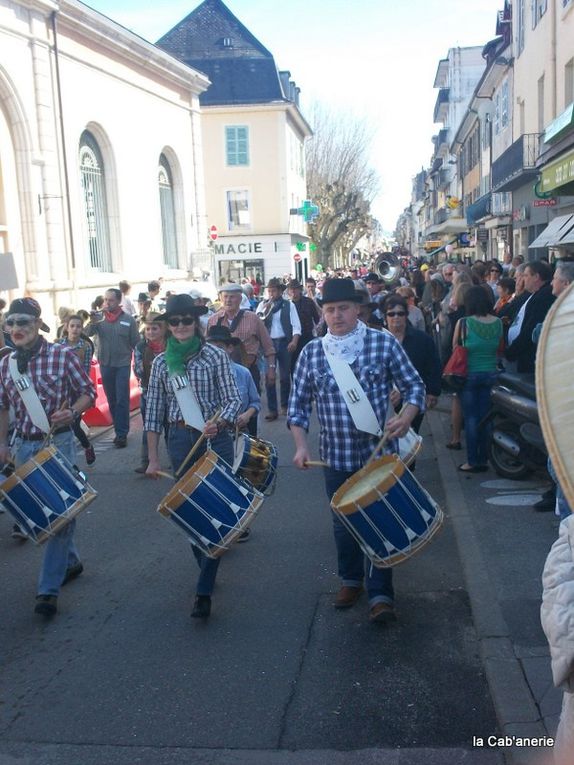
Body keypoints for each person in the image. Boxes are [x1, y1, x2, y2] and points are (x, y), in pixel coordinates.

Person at [288, 279, 425, 624]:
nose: (337, 315)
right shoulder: (312, 352)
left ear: (358, 309)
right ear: (323, 312)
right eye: (330, 309)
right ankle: (351, 580)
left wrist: (407, 417)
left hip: (379, 454)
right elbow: (297, 407)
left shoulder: (382, 343)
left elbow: (414, 387)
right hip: (334, 457)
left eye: (344, 308)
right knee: (343, 524)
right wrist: (301, 446)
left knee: (380, 519)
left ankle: (381, 593)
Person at [144, 295, 242, 619]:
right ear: (167, 327)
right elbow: (154, 413)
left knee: (215, 507)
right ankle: (207, 563)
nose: (181, 326)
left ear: (197, 323)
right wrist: (153, 459)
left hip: (215, 438)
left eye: (187, 321)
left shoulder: (214, 355)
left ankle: (203, 590)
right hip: (180, 439)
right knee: (190, 511)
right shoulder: (160, 364)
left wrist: (221, 421)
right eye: (175, 322)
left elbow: (232, 399)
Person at [0, 298, 95, 616]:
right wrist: (2, 444)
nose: (16, 329)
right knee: (39, 514)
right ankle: (70, 562)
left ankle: (47, 590)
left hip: (59, 444)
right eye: (10, 323)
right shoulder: (5, 364)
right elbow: (2, 407)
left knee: (61, 512)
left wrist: (72, 410)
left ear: (38, 325)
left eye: (23, 322)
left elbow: (88, 392)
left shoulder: (62, 354)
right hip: (24, 446)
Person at [453, 287, 503, 473]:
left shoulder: (464, 322)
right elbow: (499, 349)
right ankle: (486, 458)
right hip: (491, 374)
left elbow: (455, 348)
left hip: (469, 375)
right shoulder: (498, 322)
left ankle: (473, 461)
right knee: (486, 418)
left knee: (471, 418)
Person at [207, 283, 276, 411]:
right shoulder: (213, 320)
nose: (228, 300)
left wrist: (271, 369)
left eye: (232, 297)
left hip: (248, 371)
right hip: (219, 373)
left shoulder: (253, 318)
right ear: (220, 298)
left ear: (240, 299)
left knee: (251, 409)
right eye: (225, 296)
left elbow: (268, 347)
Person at [86, 288, 139, 448]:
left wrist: (137, 364)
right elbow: (86, 333)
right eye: (105, 300)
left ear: (118, 301)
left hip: (122, 364)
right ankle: (118, 429)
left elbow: (136, 343)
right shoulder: (99, 320)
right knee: (112, 400)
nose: (107, 303)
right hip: (106, 364)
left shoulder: (129, 320)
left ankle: (122, 434)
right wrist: (92, 321)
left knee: (122, 399)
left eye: (111, 300)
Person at [383, 295, 441, 434]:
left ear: (406, 315)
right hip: (387, 402)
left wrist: (433, 392)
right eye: (391, 314)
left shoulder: (422, 339)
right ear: (385, 317)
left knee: (410, 438)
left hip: (413, 399)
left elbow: (434, 365)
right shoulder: (378, 341)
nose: (396, 317)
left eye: (400, 313)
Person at [256, 278, 301, 420]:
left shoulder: (289, 305)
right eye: (269, 291)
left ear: (281, 291)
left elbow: (296, 325)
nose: (271, 294)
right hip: (268, 344)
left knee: (284, 377)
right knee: (269, 377)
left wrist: (294, 341)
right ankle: (272, 409)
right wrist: (266, 309)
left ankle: (285, 405)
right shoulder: (262, 305)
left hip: (284, 343)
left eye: (274, 291)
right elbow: (257, 323)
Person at [55, 315, 96, 466]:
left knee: (74, 424)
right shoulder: (58, 344)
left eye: (78, 326)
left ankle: (87, 446)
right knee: (62, 427)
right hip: (61, 390)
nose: (75, 329)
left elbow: (85, 370)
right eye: (72, 326)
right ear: (66, 327)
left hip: (77, 391)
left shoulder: (85, 346)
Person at [133, 312, 169, 473]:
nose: (151, 332)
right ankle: (145, 460)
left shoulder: (171, 345)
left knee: (171, 427)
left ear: (163, 329)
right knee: (149, 426)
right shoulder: (141, 347)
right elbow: (138, 369)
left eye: (154, 329)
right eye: (148, 329)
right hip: (148, 391)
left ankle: (175, 458)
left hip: (169, 393)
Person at [505, 260, 555, 373]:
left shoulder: (544, 296)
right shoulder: (533, 294)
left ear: (536, 277)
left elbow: (530, 328)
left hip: (528, 358)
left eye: (526, 275)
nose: (523, 279)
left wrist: (511, 351)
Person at [287, 279, 321, 372]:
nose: (293, 291)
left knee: (309, 364)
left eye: (295, 289)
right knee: (293, 366)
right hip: (293, 339)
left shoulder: (309, 302)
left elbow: (317, 319)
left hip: (307, 337)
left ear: (300, 289)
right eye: (291, 289)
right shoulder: (287, 305)